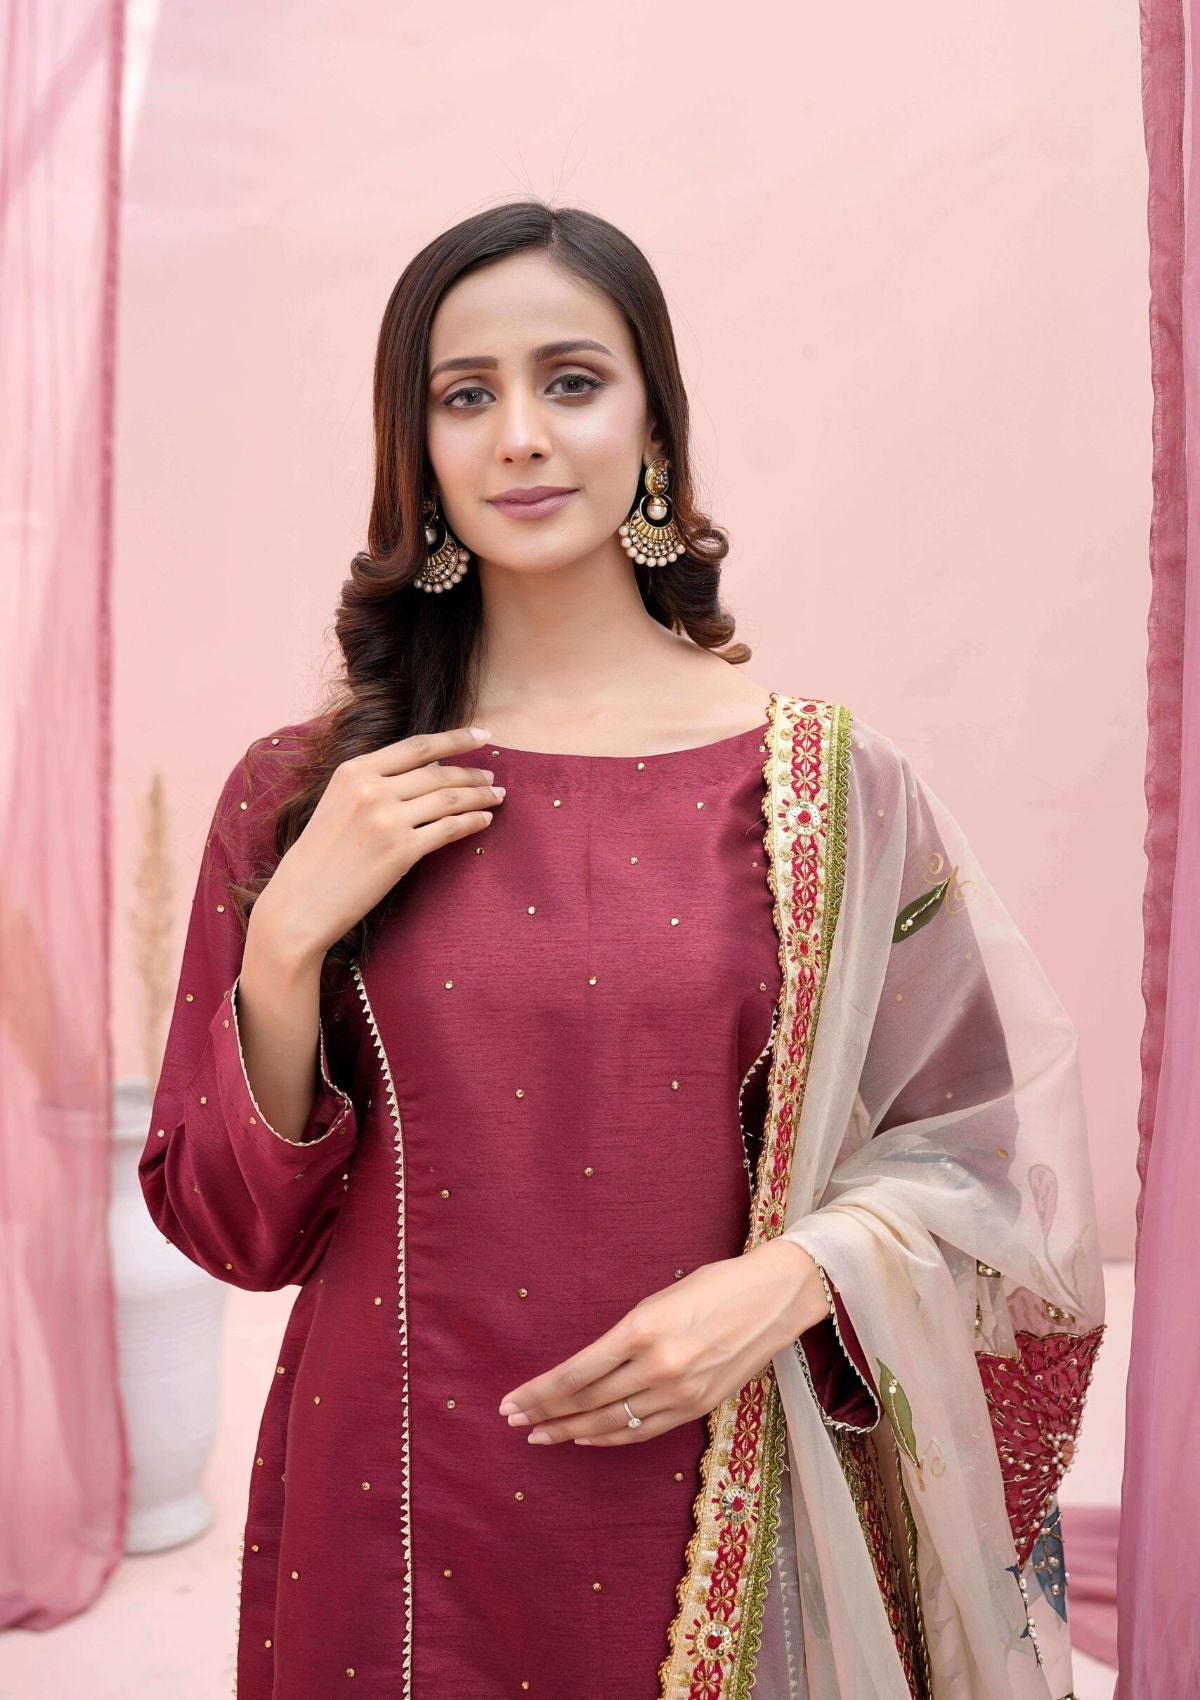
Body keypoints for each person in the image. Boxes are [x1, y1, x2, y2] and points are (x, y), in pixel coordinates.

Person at [139, 202, 1105, 1700]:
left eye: (572, 381)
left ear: (654, 424)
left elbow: (985, 1157)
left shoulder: (825, 786)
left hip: (726, 1488)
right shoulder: (310, 790)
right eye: (466, 395)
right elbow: (232, 1236)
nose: (522, 435)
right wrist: (281, 951)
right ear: (416, 448)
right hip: (391, 1511)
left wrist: (794, 1279)